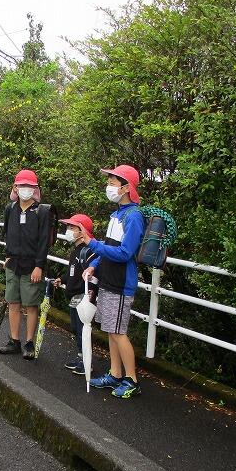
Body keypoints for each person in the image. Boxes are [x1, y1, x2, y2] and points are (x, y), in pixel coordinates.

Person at [83, 165, 146, 398]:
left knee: (119, 331)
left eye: (113, 182)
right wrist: (93, 265)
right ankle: (115, 373)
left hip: (121, 283)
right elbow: (109, 247)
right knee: (110, 329)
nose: (109, 186)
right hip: (109, 280)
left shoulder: (134, 216)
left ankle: (132, 380)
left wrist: (91, 243)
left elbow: (125, 253)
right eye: (109, 181)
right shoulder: (117, 214)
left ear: (126, 187)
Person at [0, 169, 50, 360]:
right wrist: (7, 255)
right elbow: (6, 233)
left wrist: (39, 265)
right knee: (13, 302)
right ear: (15, 187)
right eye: (22, 186)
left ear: (35, 188)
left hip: (32, 265)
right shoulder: (10, 209)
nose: (25, 189)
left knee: (31, 305)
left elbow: (44, 241)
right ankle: (14, 341)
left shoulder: (42, 211)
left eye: (30, 186)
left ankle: (29, 342)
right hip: (13, 263)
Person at [53, 214, 95, 376]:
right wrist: (61, 279)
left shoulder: (88, 251)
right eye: (68, 227)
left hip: (82, 295)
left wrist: (89, 296)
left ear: (82, 231)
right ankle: (81, 357)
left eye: (72, 227)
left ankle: (87, 363)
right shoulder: (76, 251)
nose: (68, 230)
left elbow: (91, 276)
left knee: (82, 328)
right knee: (76, 327)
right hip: (74, 295)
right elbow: (72, 273)